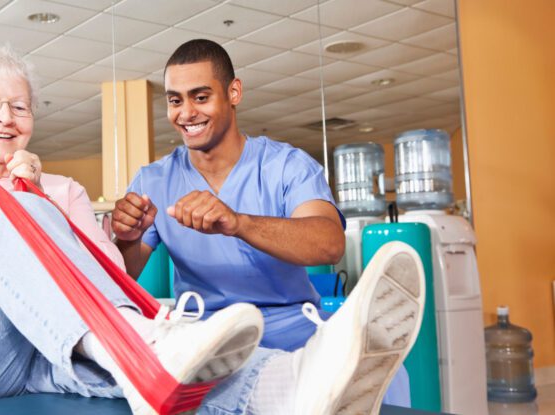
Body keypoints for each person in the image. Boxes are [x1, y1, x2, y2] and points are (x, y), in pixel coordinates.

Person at [0, 45, 424, 415]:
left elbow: (102, 285)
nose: (6, 118)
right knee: (14, 218)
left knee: (115, 356)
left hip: (23, 356)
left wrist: (41, 202)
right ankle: (152, 346)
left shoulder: (62, 192)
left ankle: (283, 383)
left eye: (20, 107)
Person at [111, 39, 411, 406]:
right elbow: (119, 277)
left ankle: (355, 332)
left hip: (290, 328)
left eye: (200, 97)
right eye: (175, 100)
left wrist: (237, 222)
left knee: (390, 379)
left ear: (233, 92)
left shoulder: (287, 165)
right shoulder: (152, 181)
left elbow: (329, 243)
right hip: (205, 337)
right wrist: (126, 238)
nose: (186, 113)